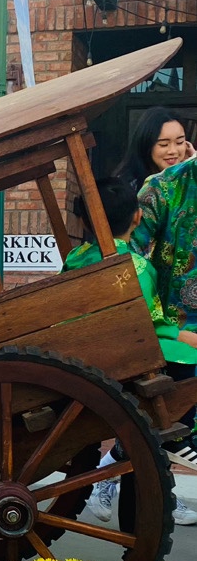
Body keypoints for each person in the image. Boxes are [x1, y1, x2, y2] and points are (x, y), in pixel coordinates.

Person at [63, 177, 197, 526]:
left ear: (86, 220)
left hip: (81, 349)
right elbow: (150, 324)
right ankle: (177, 430)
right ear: (138, 217)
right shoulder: (137, 266)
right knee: (189, 357)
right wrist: (182, 335)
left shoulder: (75, 258)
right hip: (123, 352)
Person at [117, 106, 195, 192]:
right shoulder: (127, 187)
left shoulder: (190, 176)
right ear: (147, 144)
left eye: (179, 142)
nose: (173, 151)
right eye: (164, 144)